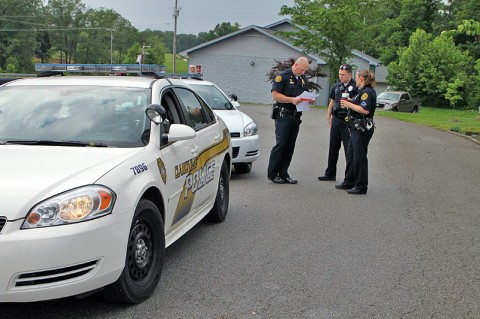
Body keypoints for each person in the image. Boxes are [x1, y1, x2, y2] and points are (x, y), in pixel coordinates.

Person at [267, 56, 315, 184]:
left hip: (296, 116)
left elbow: (304, 94)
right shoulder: (283, 76)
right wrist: (291, 100)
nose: (304, 72)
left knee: (290, 146)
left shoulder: (303, 79)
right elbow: (275, 95)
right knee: (281, 143)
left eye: (305, 71)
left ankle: (284, 173)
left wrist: (310, 100)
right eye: (303, 70)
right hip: (283, 114)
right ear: (296, 66)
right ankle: (273, 173)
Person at [335, 69, 376, 194]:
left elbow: (365, 110)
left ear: (362, 79)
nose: (355, 80)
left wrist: (349, 105)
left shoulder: (367, 93)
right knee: (351, 155)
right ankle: (349, 181)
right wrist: (351, 102)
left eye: (357, 78)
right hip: (354, 128)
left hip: (361, 128)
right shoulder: (361, 92)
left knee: (359, 157)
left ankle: (361, 185)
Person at [318, 64, 357, 182]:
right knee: (333, 147)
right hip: (336, 119)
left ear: (350, 74)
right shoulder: (337, 85)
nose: (341, 76)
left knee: (348, 149)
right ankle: (330, 173)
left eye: (343, 75)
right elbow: (332, 100)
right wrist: (328, 115)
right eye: (339, 74)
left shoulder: (355, 87)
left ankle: (349, 177)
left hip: (347, 120)